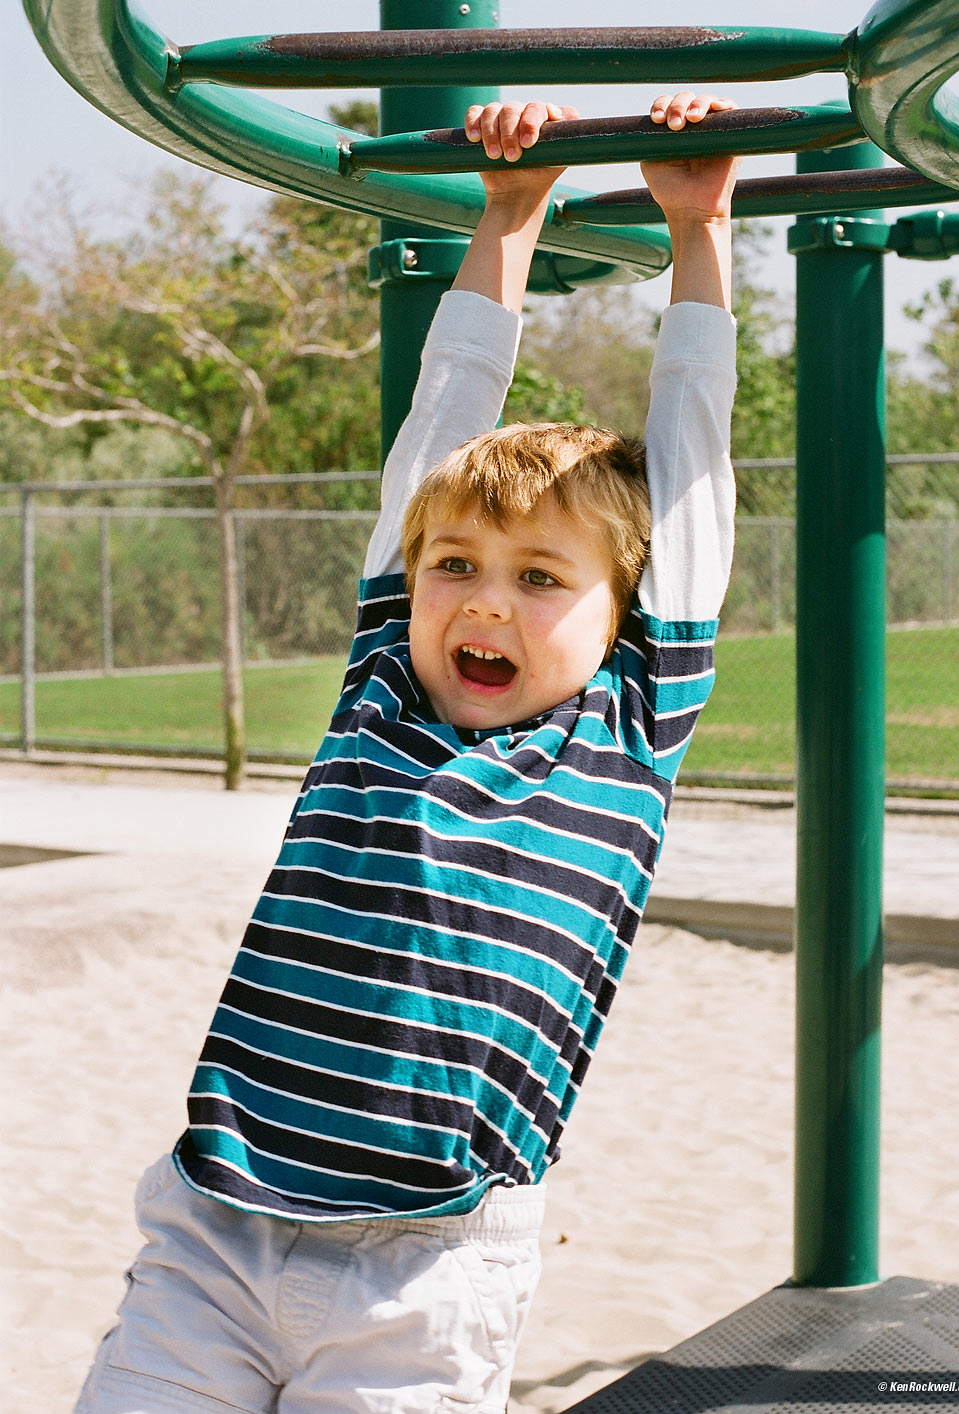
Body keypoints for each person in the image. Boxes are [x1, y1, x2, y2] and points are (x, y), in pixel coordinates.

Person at [75, 91, 740, 1414]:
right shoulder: (384, 686)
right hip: (218, 1226)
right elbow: (444, 418)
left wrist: (699, 230)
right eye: (456, 566)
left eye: (541, 575)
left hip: (425, 1268)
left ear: (625, 618)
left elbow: (694, 460)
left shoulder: (623, 726)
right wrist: (508, 218)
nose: (483, 600)